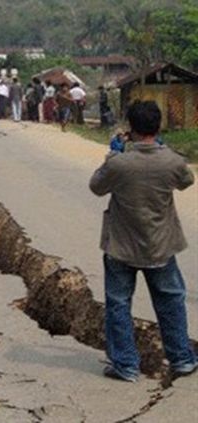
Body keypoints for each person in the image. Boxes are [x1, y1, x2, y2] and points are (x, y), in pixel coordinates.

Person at [89, 101, 196, 383]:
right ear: (158, 126)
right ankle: (182, 358)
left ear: (130, 127)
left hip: (121, 247)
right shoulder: (171, 160)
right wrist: (161, 148)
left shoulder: (119, 163)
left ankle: (125, 365)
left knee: (118, 304)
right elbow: (186, 180)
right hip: (160, 245)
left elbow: (96, 186)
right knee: (171, 302)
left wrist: (113, 153)